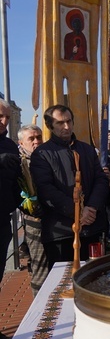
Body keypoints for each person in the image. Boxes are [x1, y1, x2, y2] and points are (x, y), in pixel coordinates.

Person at [30, 104, 109, 268]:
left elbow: (100, 180)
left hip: (92, 227)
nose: (66, 127)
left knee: (95, 277)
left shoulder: (87, 149)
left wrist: (92, 208)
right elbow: (46, 189)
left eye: (69, 121)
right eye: (60, 123)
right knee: (64, 282)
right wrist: (77, 212)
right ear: (50, 126)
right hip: (61, 231)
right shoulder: (42, 154)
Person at [17, 125, 47, 295]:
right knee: (40, 268)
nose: (36, 142)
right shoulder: (19, 164)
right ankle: (40, 308)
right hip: (35, 222)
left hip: (54, 219)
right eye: (31, 139)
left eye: (39, 137)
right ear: (21, 142)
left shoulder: (46, 158)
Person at [0, 98, 22, 286]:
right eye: (0, 116)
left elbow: (17, 181)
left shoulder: (10, 145)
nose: (5, 121)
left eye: (7, 117)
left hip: (2, 220)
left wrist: (20, 200)